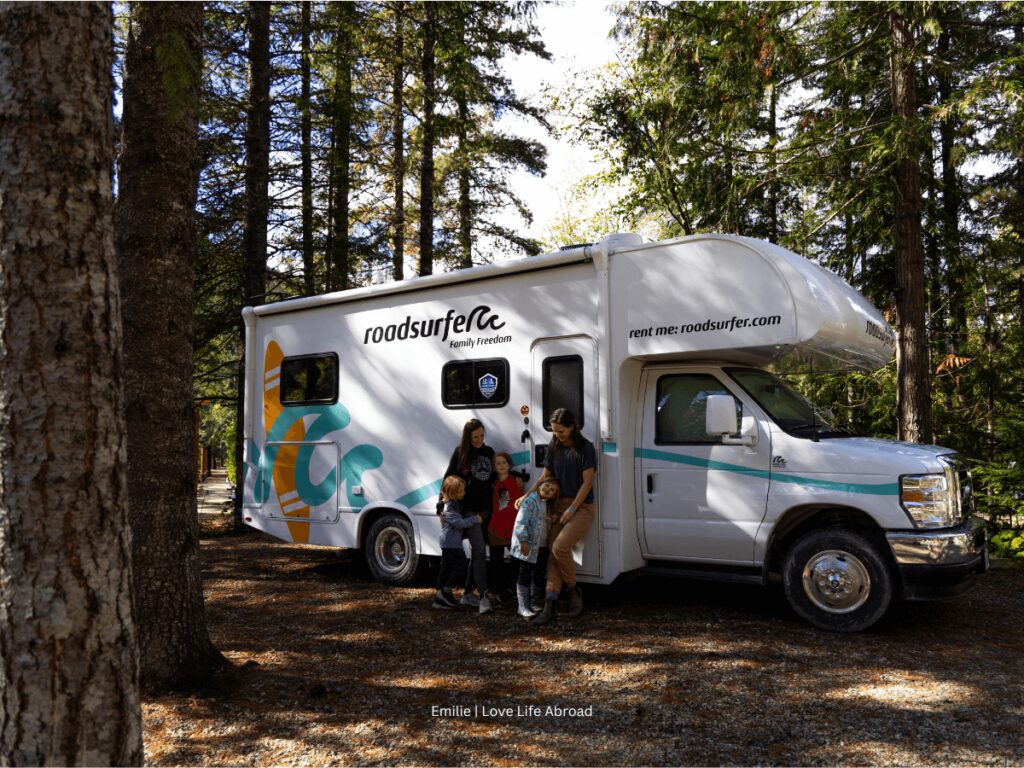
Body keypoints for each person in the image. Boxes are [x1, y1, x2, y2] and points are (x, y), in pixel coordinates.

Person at [518, 408, 596, 625]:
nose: (557, 435)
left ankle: (573, 589)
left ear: (572, 427)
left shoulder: (585, 448)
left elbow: (587, 483)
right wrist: (527, 495)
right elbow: (545, 477)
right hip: (557, 506)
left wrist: (571, 510)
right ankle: (550, 604)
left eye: (560, 431)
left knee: (559, 547)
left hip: (582, 507)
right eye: (554, 431)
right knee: (553, 556)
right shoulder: (554, 446)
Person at [440, 419, 494, 610]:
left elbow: (493, 477)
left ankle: (468, 594)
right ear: (468, 437)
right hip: (469, 510)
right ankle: (483, 595)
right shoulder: (460, 453)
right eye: (475, 437)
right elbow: (448, 478)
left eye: (481, 435)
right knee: (479, 550)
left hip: (486, 509)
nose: (479, 440)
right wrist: (441, 505)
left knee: (478, 554)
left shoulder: (489, 452)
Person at [510, 476, 559, 619]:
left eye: (552, 490)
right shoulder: (530, 501)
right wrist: (523, 541)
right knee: (525, 573)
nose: (548, 489)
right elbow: (520, 523)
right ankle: (523, 606)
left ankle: (533, 602)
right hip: (528, 546)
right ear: (539, 485)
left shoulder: (545, 504)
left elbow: (542, 523)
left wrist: (551, 520)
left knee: (538, 574)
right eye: (547, 485)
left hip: (541, 546)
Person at [432, 476, 477, 610]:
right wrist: (475, 519)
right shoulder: (451, 507)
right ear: (452, 493)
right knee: (461, 566)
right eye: (461, 491)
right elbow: (459, 524)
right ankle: (446, 589)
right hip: (451, 543)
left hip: (449, 541)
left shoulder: (452, 504)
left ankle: (440, 596)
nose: (464, 493)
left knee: (446, 567)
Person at [488, 452, 523, 604]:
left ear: (509, 465)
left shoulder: (516, 482)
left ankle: (511, 590)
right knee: (496, 563)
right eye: (498, 463)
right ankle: (497, 591)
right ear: (494, 467)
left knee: (516, 560)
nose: (501, 465)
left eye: (504, 462)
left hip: (512, 525)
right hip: (496, 527)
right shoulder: (492, 484)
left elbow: (520, 502)